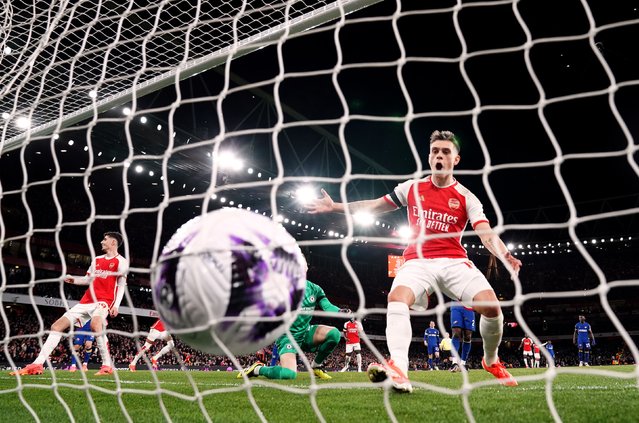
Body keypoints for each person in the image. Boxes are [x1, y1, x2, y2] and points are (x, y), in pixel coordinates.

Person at [307, 130, 522, 392]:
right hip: (417, 261)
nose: (439, 155)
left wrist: (504, 254)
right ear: (429, 157)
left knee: (492, 308)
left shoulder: (466, 197)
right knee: (397, 298)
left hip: (454, 261)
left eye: (445, 151)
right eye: (435, 151)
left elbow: (485, 232)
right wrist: (335, 207)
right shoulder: (412, 188)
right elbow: (375, 205)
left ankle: (491, 361)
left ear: (456, 159)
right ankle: (398, 368)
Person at [10, 232, 128, 376]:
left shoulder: (121, 261)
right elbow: (87, 279)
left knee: (95, 325)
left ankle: (106, 365)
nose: (102, 242)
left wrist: (116, 305)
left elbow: (121, 285)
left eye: (105, 239)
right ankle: (37, 364)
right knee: (56, 326)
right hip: (86, 300)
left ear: (113, 243)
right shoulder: (97, 260)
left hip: (104, 301)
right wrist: (75, 280)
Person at [237, 279, 349, 380]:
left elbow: (327, 307)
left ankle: (316, 366)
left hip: (306, 333)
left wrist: (339, 311)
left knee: (334, 334)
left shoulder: (315, 289)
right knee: (288, 374)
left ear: (306, 267)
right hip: (287, 337)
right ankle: (258, 369)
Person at [449, 301, 475, 372]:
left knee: (468, 335)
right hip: (456, 304)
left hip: (469, 306)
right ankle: (454, 363)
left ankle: (463, 363)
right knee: (456, 333)